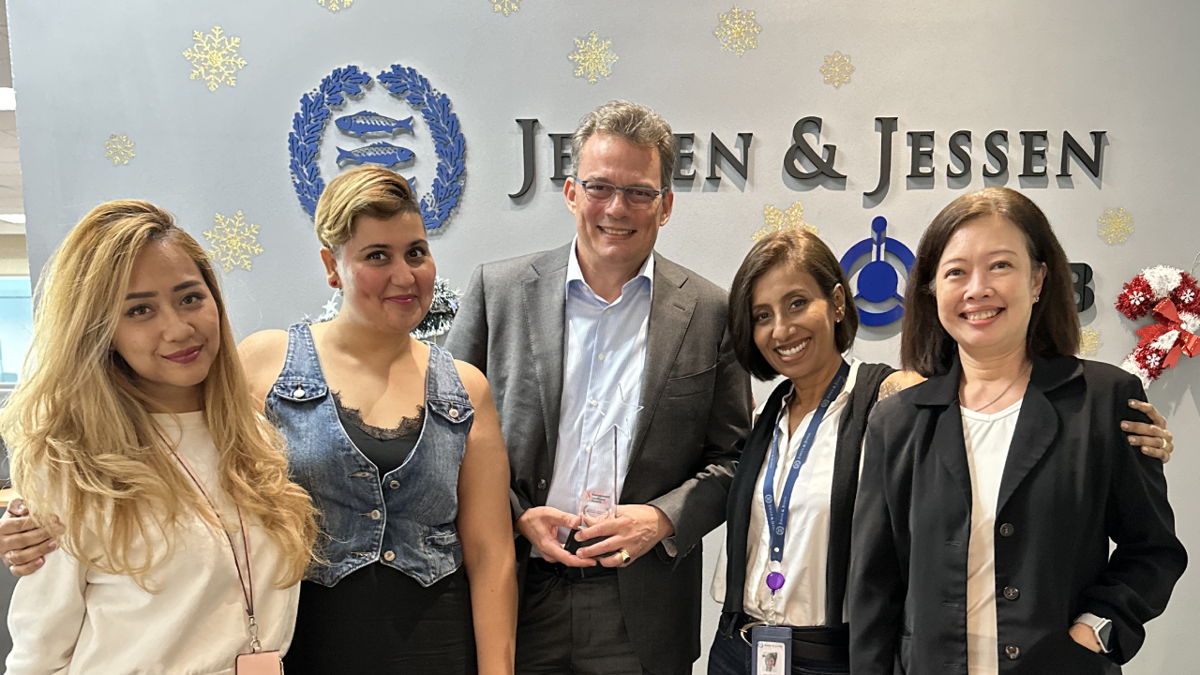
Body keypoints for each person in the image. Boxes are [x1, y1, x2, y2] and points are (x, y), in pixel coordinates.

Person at [708, 229, 1177, 675]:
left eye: (796, 304)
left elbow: (974, 403)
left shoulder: (890, 397)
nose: (781, 328)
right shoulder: (764, 416)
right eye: (762, 315)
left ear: (834, 303)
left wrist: (1117, 434)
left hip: (831, 653)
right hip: (741, 646)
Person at [446, 100, 752, 674]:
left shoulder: (710, 312)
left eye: (639, 192)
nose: (617, 208)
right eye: (600, 187)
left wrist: (661, 518)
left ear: (665, 207)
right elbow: (447, 436)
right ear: (570, 193)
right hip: (516, 586)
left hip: (642, 607)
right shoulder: (499, 292)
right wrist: (514, 514)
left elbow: (734, 459)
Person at [849, 187, 1187, 674]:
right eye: (956, 272)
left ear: (1039, 280)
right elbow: (872, 588)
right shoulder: (897, 421)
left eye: (1000, 266)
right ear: (932, 290)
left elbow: (1152, 550)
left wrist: (1095, 630)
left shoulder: (1102, 399)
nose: (977, 289)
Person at [0, 200, 317, 673]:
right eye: (140, 310)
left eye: (190, 297)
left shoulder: (255, 437)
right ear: (101, 331)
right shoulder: (73, 462)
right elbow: (38, 654)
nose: (178, 328)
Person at [238, 166, 517, 674]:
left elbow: (490, 554)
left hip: (437, 652)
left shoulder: (466, 387)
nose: (404, 275)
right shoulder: (264, 365)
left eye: (416, 252)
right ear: (331, 265)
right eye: (376, 257)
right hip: (303, 647)